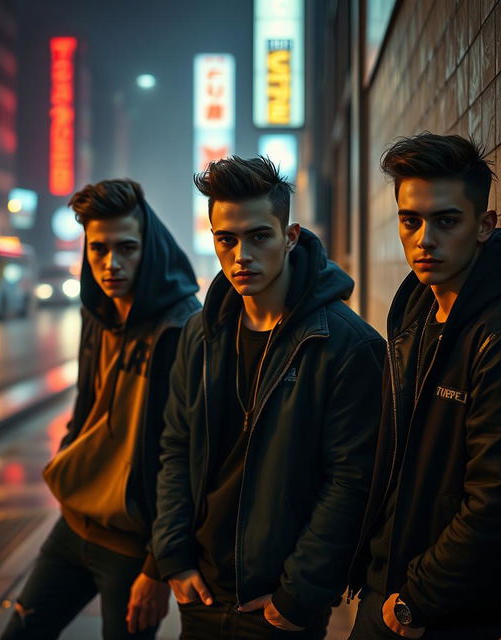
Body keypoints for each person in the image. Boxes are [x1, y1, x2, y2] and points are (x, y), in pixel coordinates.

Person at [149, 156, 385, 639]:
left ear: (291, 235)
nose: (241, 256)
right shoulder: (200, 334)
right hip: (200, 591)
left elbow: (351, 481)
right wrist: (173, 556)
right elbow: (176, 448)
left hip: (277, 607)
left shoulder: (345, 344)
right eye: (226, 240)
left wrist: (298, 595)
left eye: (259, 236)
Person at [347, 133, 501, 640]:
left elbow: (500, 498)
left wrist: (416, 601)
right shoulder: (417, 311)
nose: (424, 239)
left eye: (446, 221)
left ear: (484, 225)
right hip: (391, 584)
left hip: (437, 609)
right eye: (410, 221)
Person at [1, 179, 200, 639]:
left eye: (126, 248)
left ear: (149, 247)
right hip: (73, 526)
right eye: (99, 249)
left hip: (133, 548)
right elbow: (85, 407)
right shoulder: (96, 311)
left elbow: (188, 456)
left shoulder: (183, 327)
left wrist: (158, 564)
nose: (112, 264)